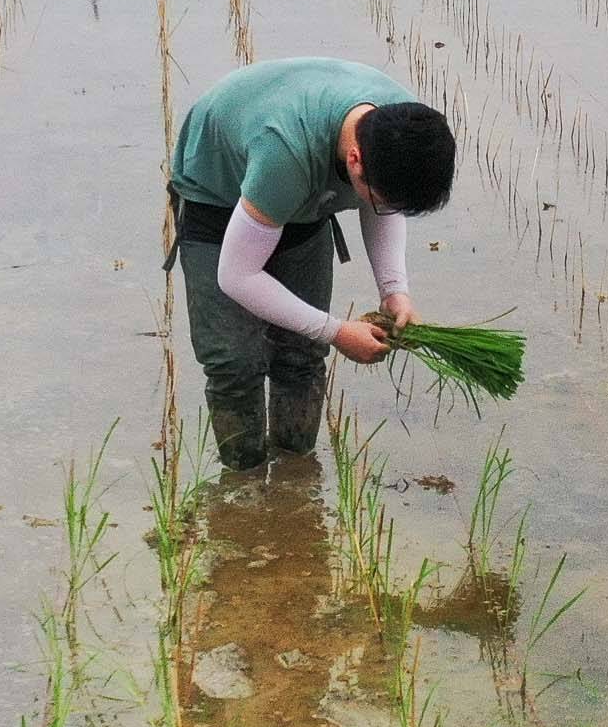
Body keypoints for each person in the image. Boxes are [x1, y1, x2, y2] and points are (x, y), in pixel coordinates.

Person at [166, 57, 455, 472]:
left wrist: (395, 291)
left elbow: (384, 205)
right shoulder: (285, 151)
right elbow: (237, 275)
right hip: (216, 192)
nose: (381, 207)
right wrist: (337, 331)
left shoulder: (404, 130)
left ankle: (294, 481)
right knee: (234, 361)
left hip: (300, 192)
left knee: (301, 353)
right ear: (355, 159)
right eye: (374, 196)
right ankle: (244, 484)